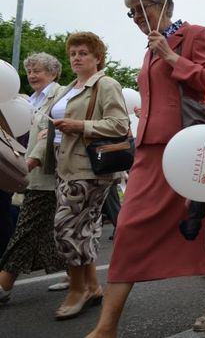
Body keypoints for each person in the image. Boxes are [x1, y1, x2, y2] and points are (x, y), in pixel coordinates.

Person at [86, 0, 205, 337]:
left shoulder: (193, 35)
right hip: (148, 150)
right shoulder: (149, 49)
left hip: (189, 145)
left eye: (140, 9)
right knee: (128, 226)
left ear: (163, 5)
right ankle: (107, 327)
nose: (135, 18)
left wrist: (173, 58)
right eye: (130, 13)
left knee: (203, 224)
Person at [28, 32, 130, 319]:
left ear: (98, 57)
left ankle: (78, 289)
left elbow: (119, 124)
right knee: (82, 229)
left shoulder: (106, 84)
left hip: (89, 168)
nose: (76, 57)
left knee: (65, 229)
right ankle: (94, 287)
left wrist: (79, 125)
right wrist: (36, 157)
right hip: (64, 167)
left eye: (84, 52)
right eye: (73, 53)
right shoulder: (70, 88)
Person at [0, 53, 66, 303]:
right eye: (29, 71)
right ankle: (79, 276)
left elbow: (49, 133)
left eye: (37, 70)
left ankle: (4, 282)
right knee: (53, 230)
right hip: (34, 171)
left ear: (53, 72)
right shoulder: (30, 100)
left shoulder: (60, 95)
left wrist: (29, 161)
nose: (32, 75)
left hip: (47, 171)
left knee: (27, 227)